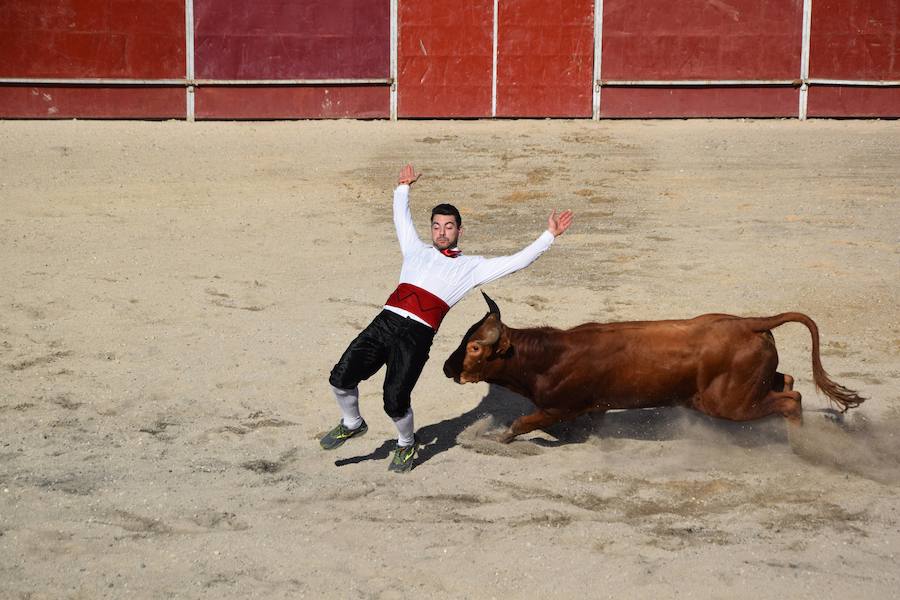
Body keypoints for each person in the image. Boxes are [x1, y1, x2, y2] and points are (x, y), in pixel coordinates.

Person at [321, 164, 573, 472]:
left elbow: (516, 262)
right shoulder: (415, 250)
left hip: (416, 335)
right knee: (340, 378)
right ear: (432, 230)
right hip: (384, 323)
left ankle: (405, 444)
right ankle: (352, 422)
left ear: (459, 230)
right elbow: (401, 220)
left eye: (449, 226)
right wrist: (403, 188)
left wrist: (548, 236)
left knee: (394, 399)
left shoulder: (471, 267)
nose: (442, 232)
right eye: (437, 226)